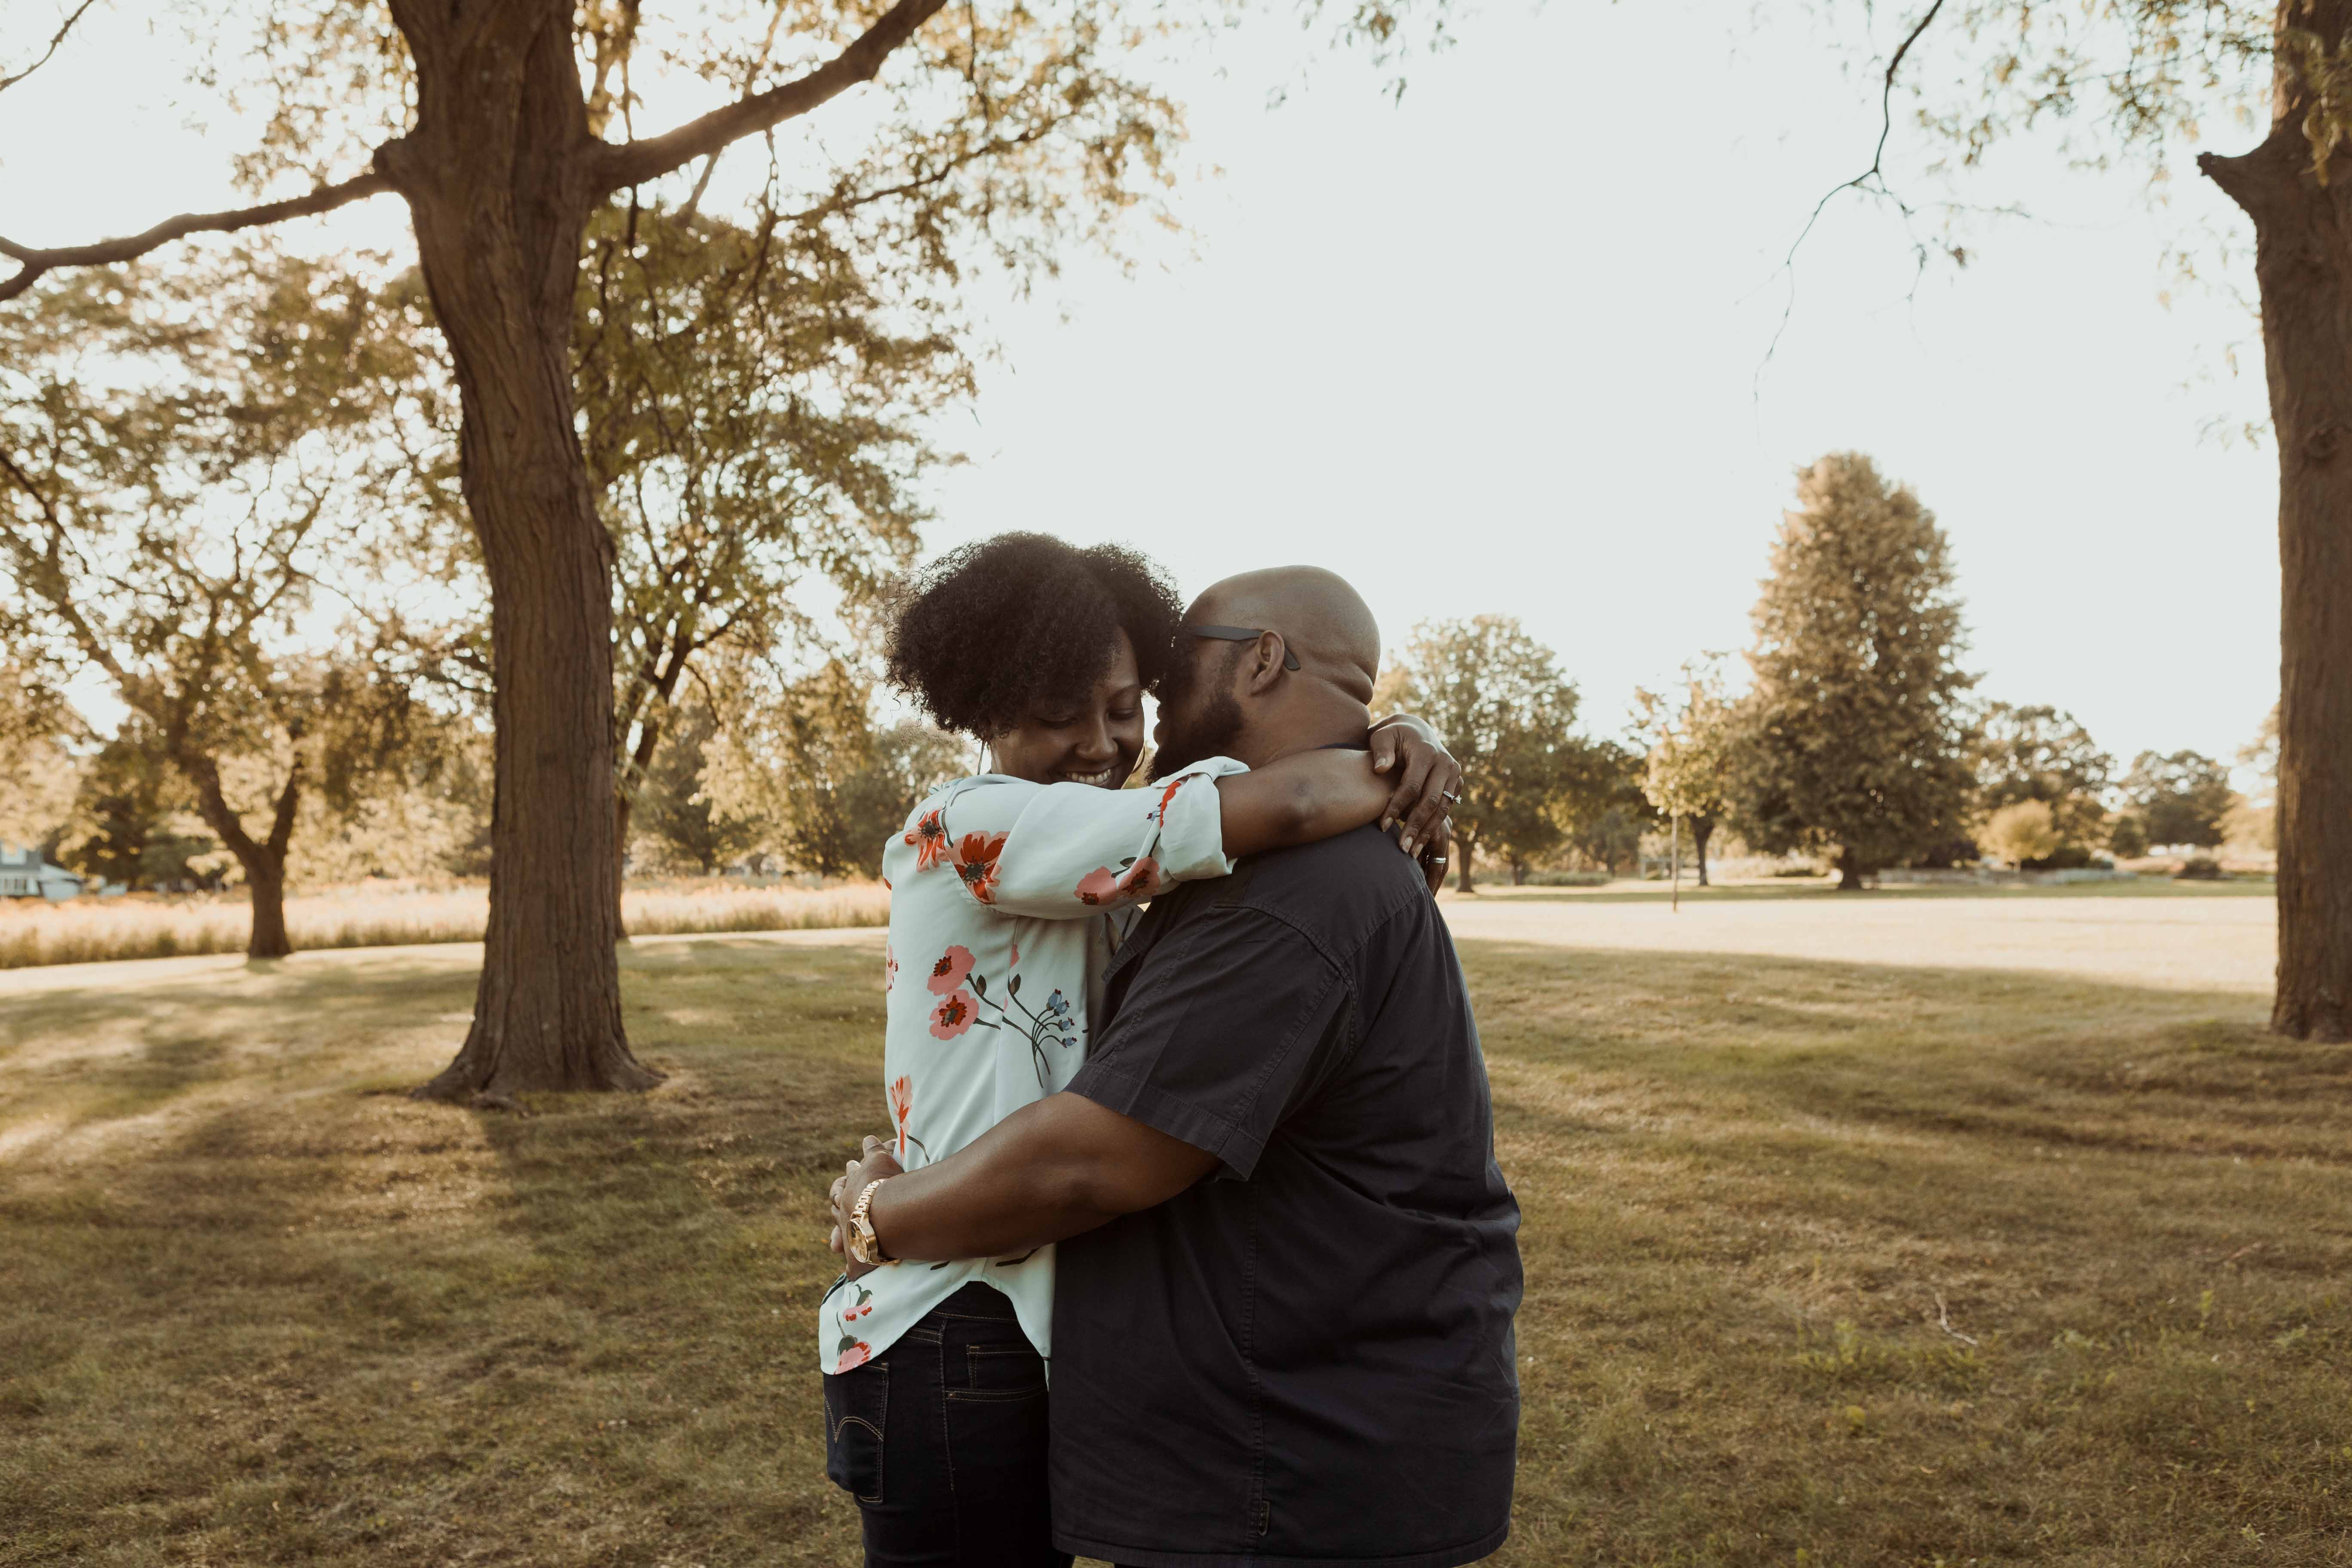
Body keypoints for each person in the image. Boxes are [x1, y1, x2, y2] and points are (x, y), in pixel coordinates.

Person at [828, 564, 1522, 1568]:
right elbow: (1252, 805)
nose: (1117, 736)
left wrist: (1397, 733)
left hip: (1016, 1319)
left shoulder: (1215, 864)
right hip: (950, 1314)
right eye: (1064, 714)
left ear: (1263, 658)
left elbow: (1100, 1158)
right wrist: (1391, 760)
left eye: (1136, 699)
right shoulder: (980, 823)